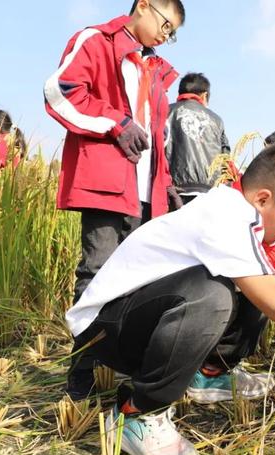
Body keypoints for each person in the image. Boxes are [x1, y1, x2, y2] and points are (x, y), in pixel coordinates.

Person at [67, 142, 275, 455]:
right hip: (105, 332)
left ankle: (210, 374)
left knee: (253, 279)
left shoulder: (248, 212)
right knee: (218, 294)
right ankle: (136, 414)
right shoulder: (226, 216)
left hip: (140, 320)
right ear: (263, 198)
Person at [43, 0, 186, 400]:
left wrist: (167, 182)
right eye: (165, 23)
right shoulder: (98, 41)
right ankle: (83, 370)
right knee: (96, 274)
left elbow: (157, 134)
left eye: (172, 33)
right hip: (106, 183)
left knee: (141, 281)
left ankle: (121, 363)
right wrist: (115, 122)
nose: (166, 35)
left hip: (147, 192)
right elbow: (61, 91)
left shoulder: (156, 69)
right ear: (143, 6)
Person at [166, 72, 230, 206]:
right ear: (205, 95)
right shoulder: (217, 120)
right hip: (210, 194)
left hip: (175, 192)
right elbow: (226, 161)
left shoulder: (166, 111)